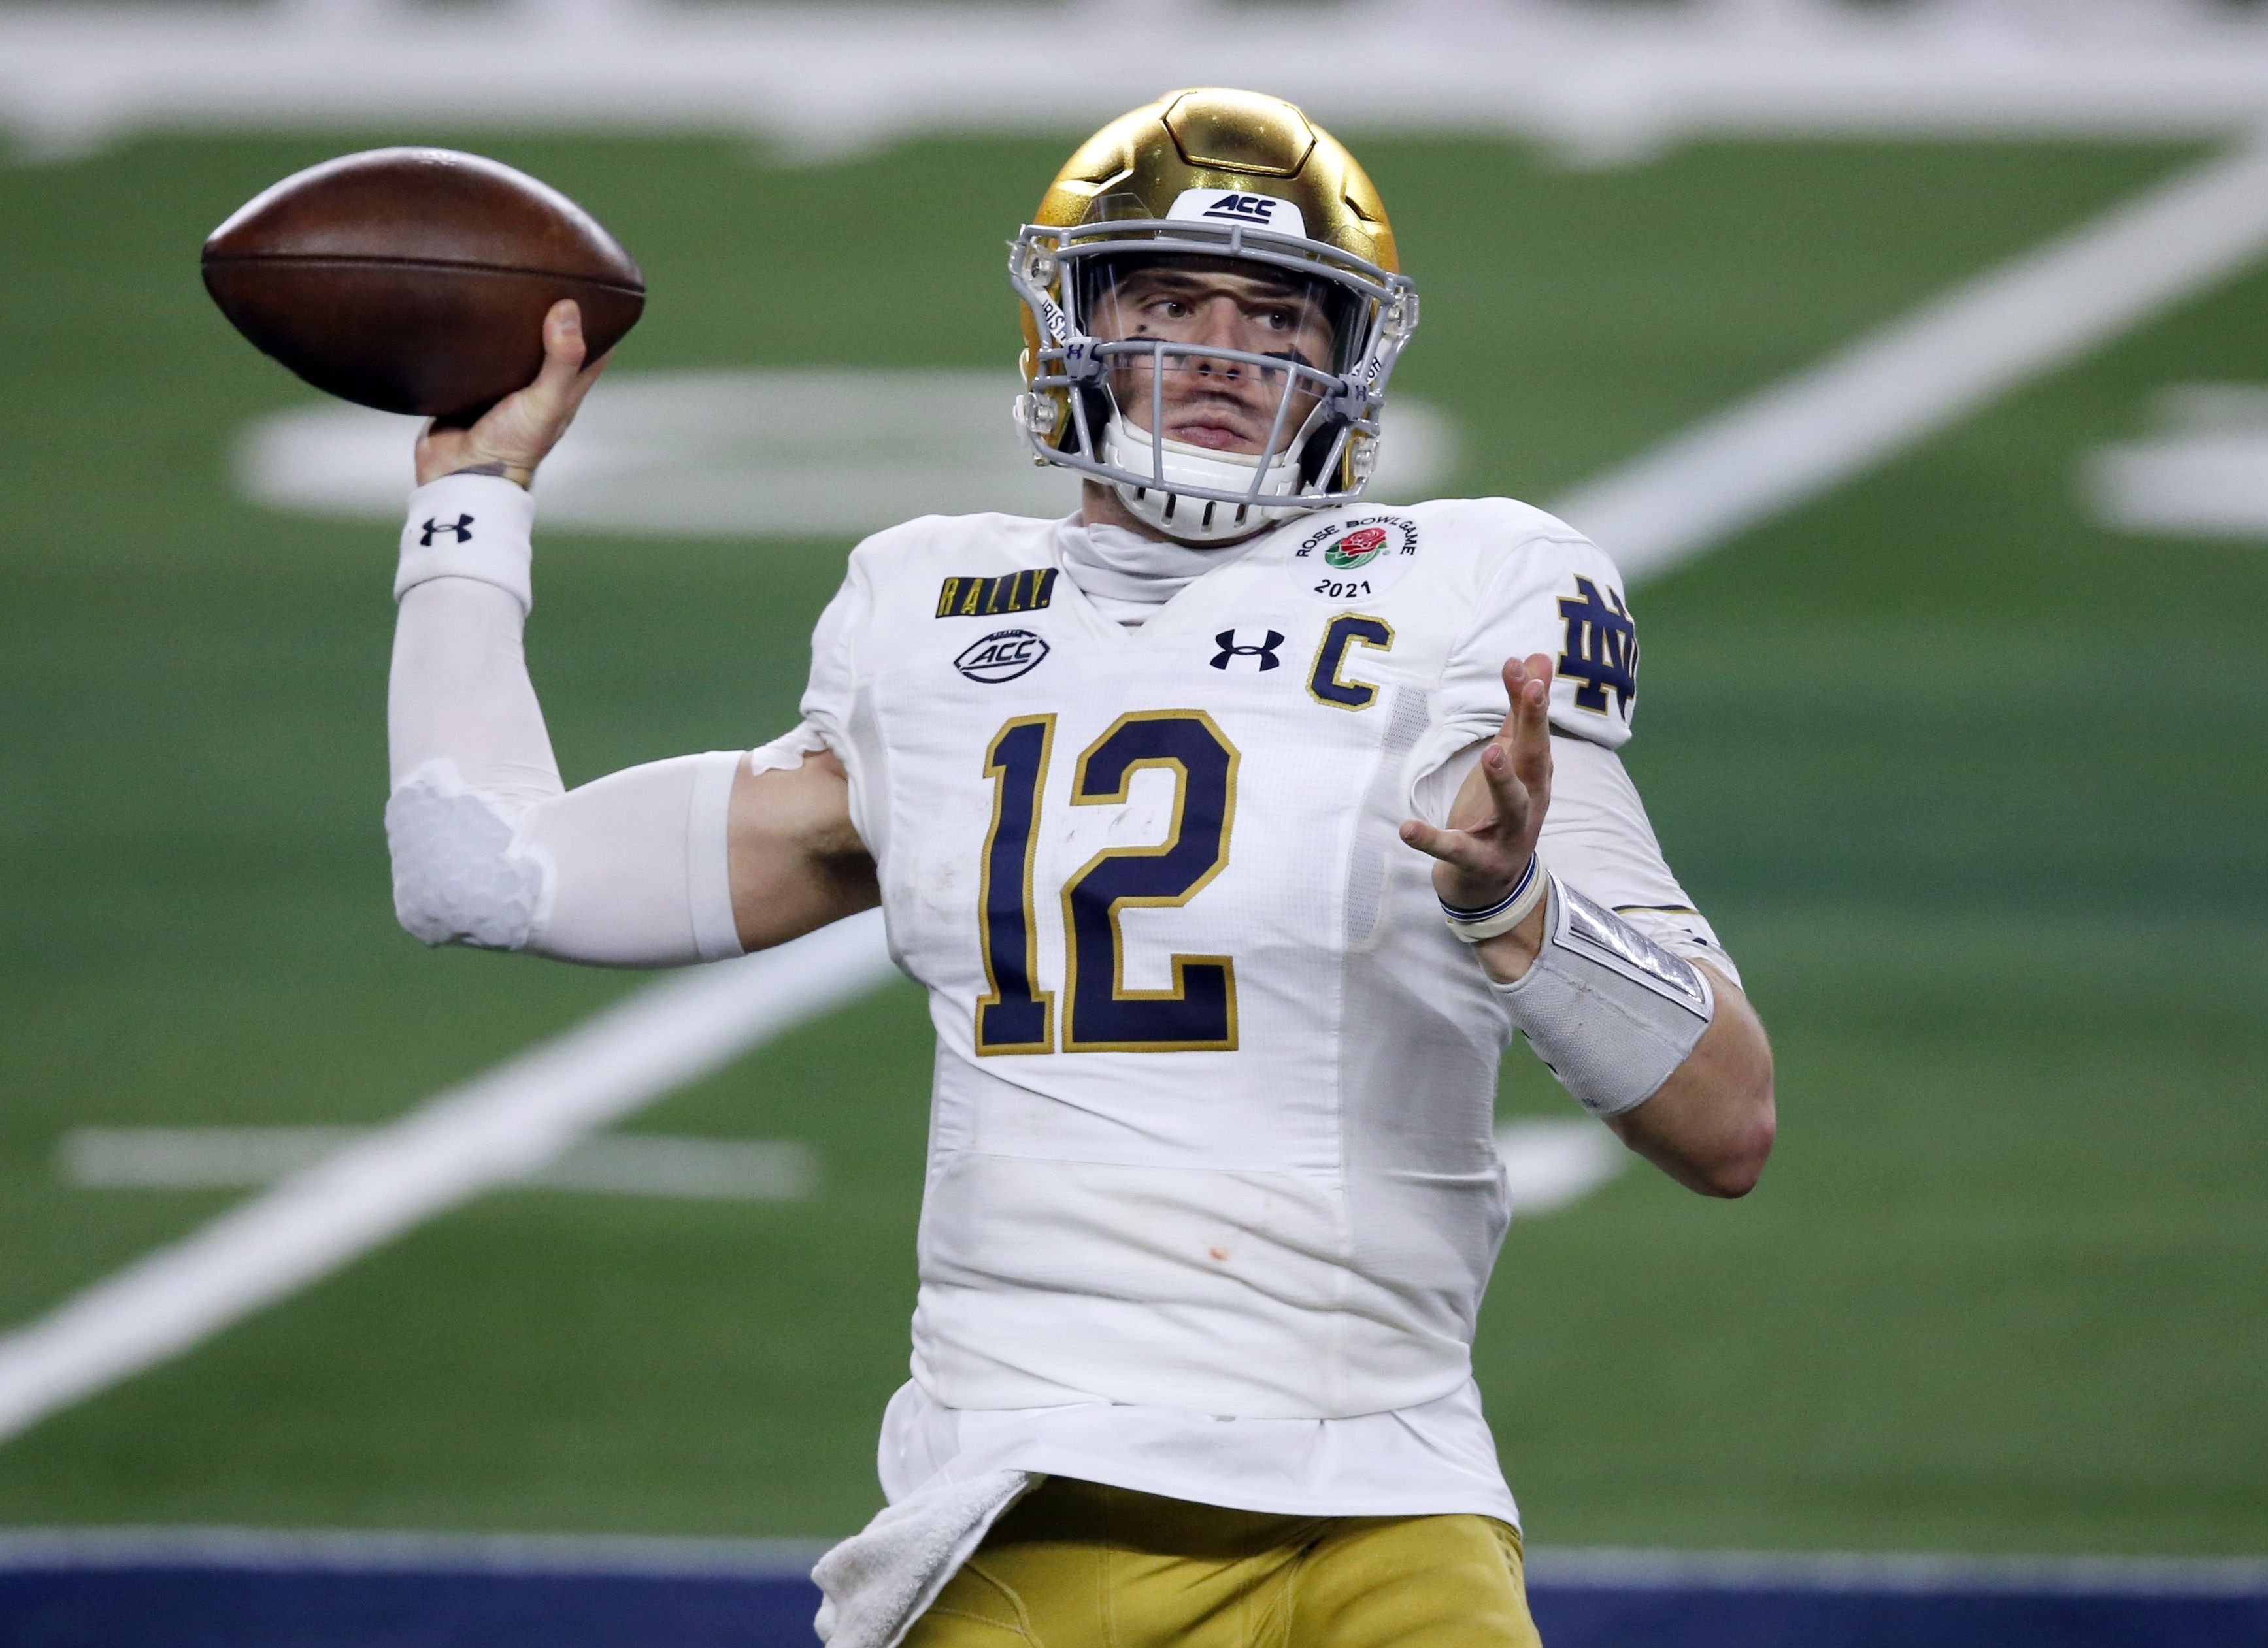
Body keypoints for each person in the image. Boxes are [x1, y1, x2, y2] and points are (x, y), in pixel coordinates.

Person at [384, 87, 1774, 1648]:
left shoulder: (1466, 594)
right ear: (1070, 326)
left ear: (1348, 360)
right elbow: (483, 871)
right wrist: (468, 501)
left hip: (1390, 1498)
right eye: (1171, 299)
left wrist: (1513, 906)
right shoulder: (926, 614)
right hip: (1031, 1498)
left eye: (1279, 316)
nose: (1228, 352)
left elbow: (1723, 1119)